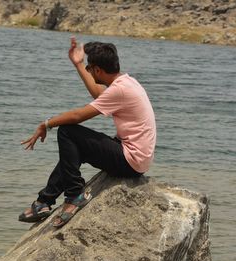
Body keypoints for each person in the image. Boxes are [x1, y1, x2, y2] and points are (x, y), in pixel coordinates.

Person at [19, 37, 156, 227]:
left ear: (98, 70)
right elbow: (98, 94)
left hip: (130, 161)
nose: (89, 72)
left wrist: (46, 124)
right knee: (75, 149)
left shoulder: (121, 90)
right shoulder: (127, 83)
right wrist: (79, 64)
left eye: (90, 69)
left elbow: (77, 116)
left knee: (67, 131)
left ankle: (75, 195)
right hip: (135, 158)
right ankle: (44, 201)